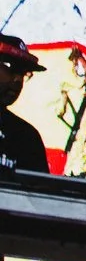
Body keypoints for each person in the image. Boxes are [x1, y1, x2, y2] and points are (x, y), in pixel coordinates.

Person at [0, 36, 47, 173]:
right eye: (9, 67)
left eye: (23, 73)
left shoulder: (26, 137)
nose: (18, 80)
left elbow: (39, 192)